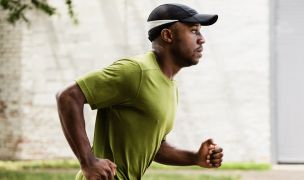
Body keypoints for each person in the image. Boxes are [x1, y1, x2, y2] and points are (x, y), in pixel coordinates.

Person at [56, 3, 223, 180]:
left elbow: (154, 146)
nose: (202, 39)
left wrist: (194, 157)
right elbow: (68, 96)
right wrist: (88, 161)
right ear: (168, 35)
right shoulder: (136, 71)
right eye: (194, 30)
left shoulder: (170, 86)